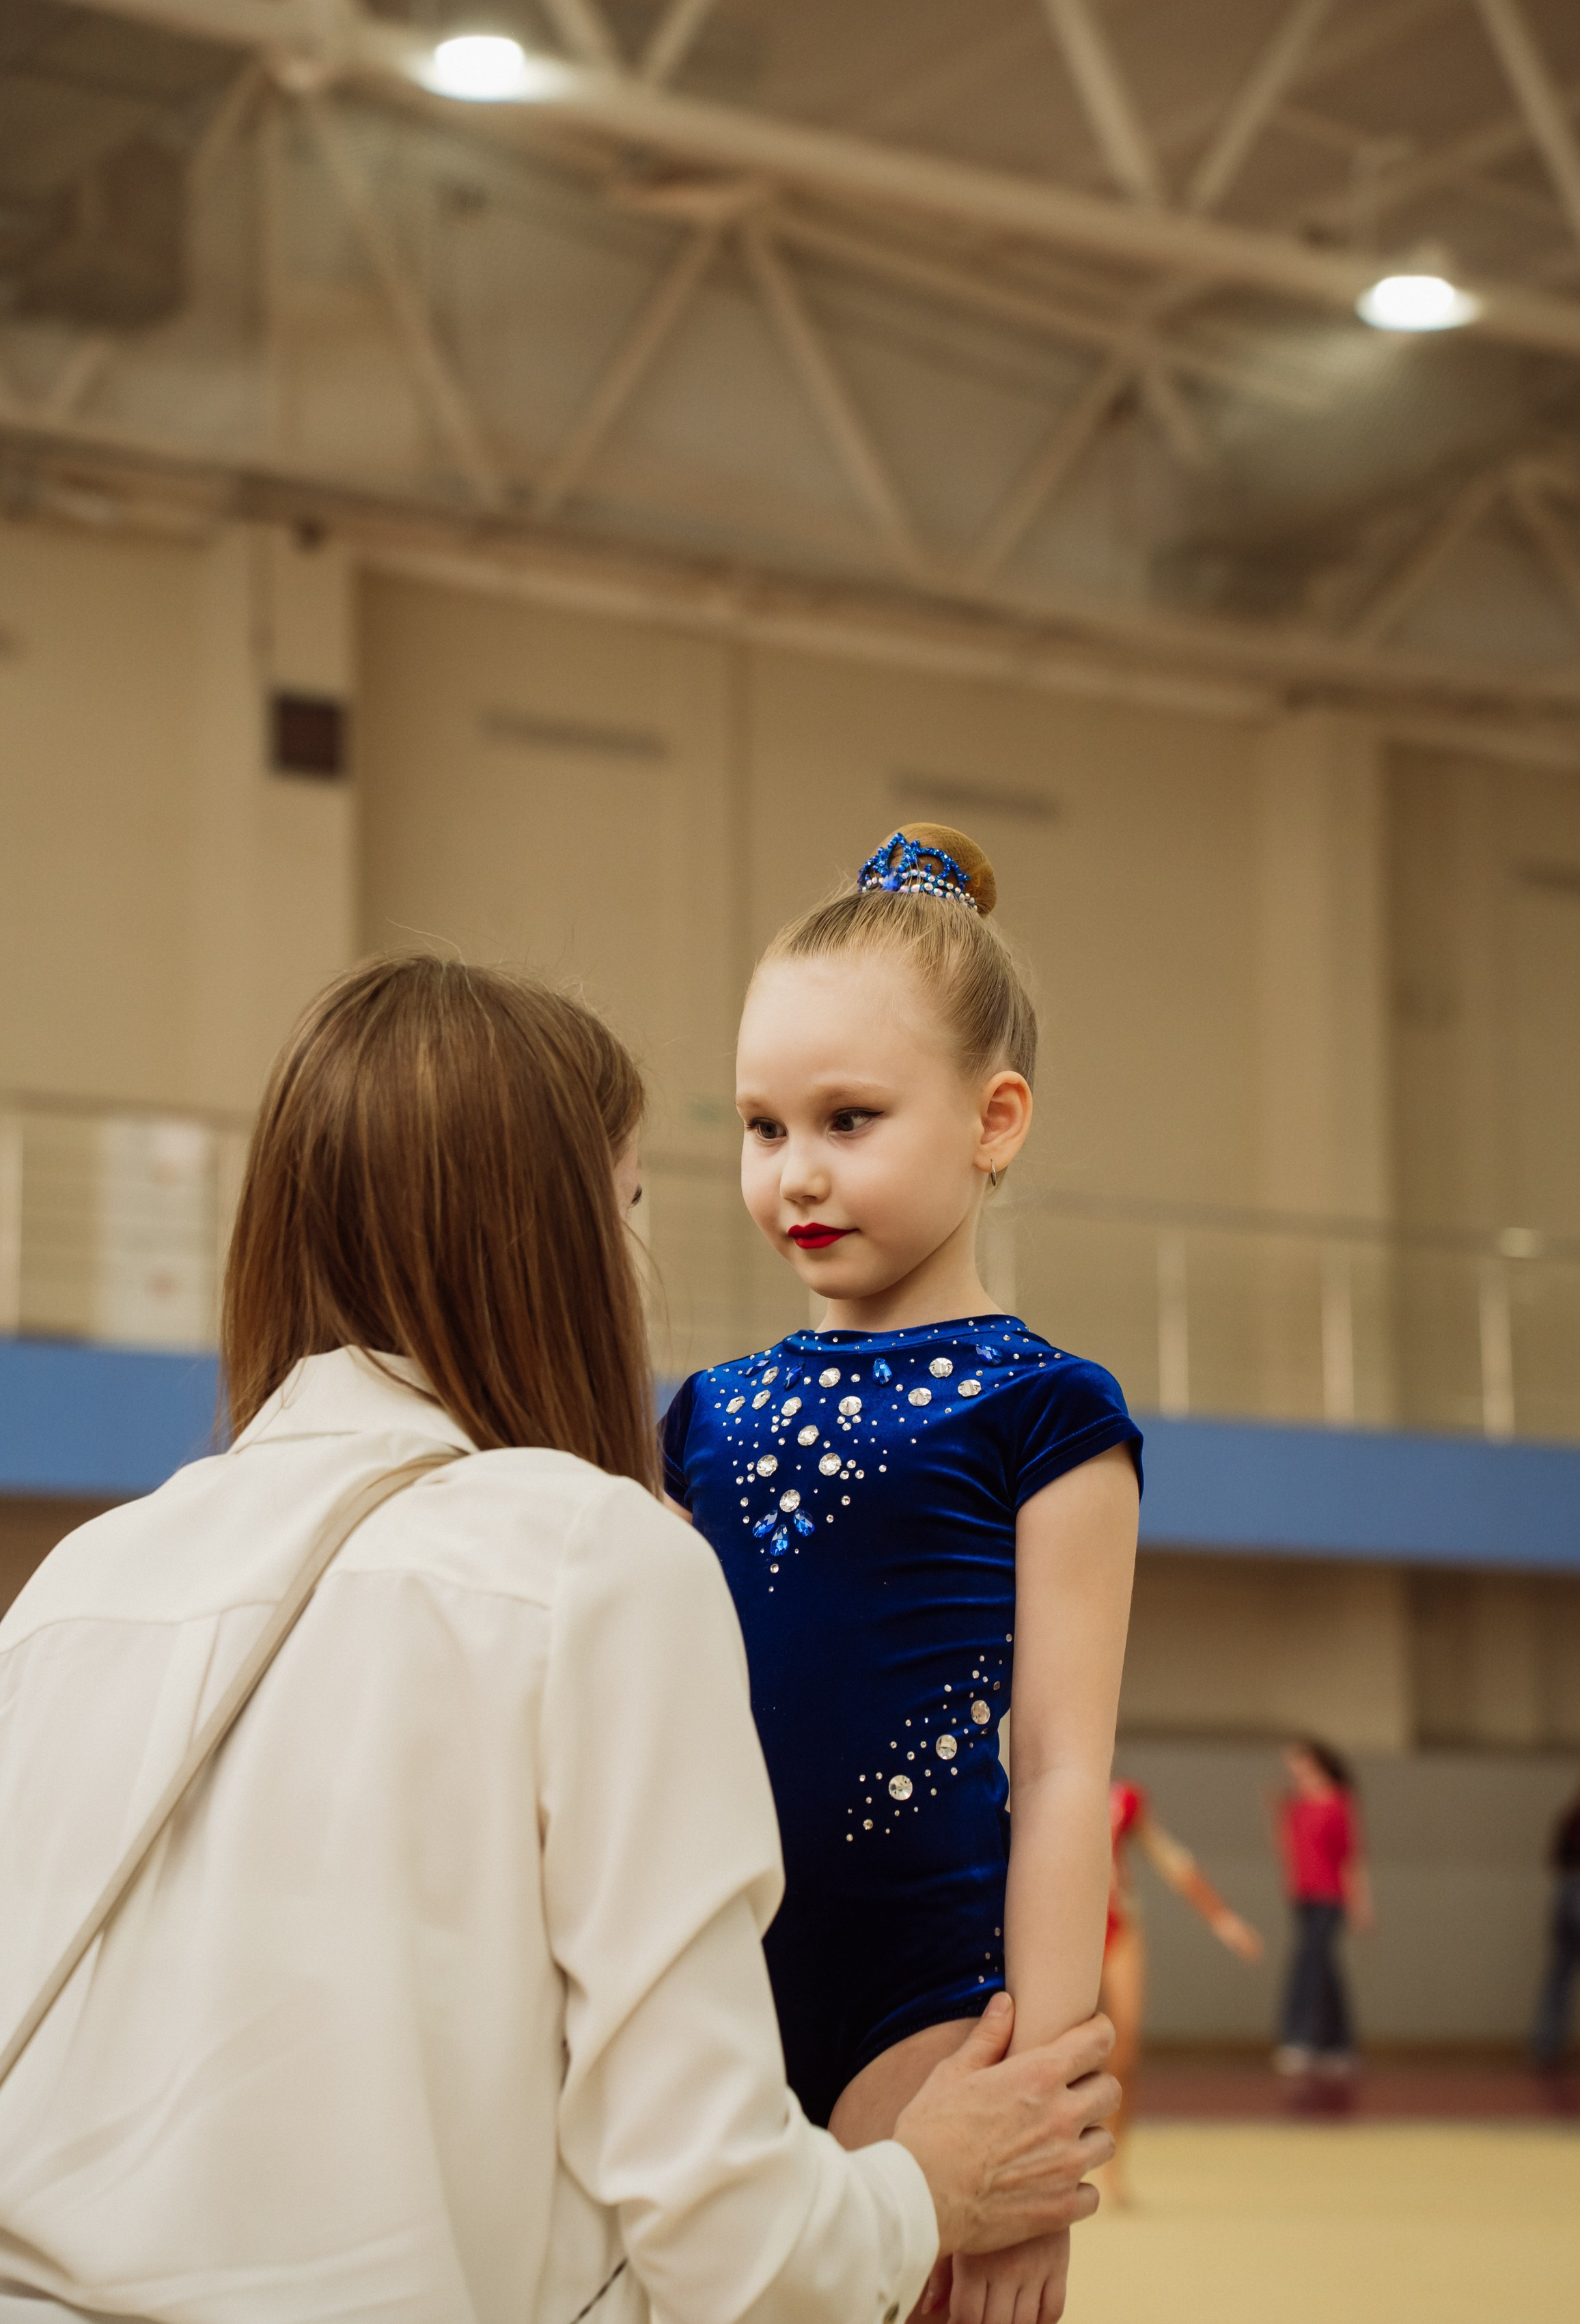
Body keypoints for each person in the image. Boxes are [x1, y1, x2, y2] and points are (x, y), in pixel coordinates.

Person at [0, 956, 1121, 2324]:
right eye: (632, 1202)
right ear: (550, 1236)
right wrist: (930, 2188)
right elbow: (725, 2242)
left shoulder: (75, 1588)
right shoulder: (594, 1559)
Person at [663, 826, 1141, 2324]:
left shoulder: (1043, 1411)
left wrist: (1035, 2144)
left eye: (847, 1120)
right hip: (703, 1984)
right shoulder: (696, 1414)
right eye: (758, 1127)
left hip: (924, 2009)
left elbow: (1064, 1772)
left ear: (992, 1120)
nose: (793, 1173)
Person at [1098, 1778, 1263, 2202]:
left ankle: (1112, 2167)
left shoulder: (1124, 1800)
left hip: (1118, 1928)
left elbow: (1172, 1860)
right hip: (1066, 1929)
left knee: (1126, 2050)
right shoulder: (1039, 1787)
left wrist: (1223, 1918)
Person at [1272, 1737, 1372, 2078]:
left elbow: (1351, 1857)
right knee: (1325, 1970)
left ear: (1315, 1761)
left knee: (1308, 1965)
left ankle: (1301, 2039)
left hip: (1331, 1898)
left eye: (1297, 1761)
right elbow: (1289, 1850)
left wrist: (1361, 1903)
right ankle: (1340, 2045)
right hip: (1303, 1896)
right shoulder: (1295, 1804)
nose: (1291, 1769)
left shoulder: (1339, 1802)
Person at [1531, 1767, 1580, 2071]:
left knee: (1559, 1976)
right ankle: (1546, 2044)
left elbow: (1555, 1858)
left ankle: (1546, 2044)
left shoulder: (1572, 1817)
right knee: (1565, 1976)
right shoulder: (1576, 1819)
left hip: (1567, 1896)